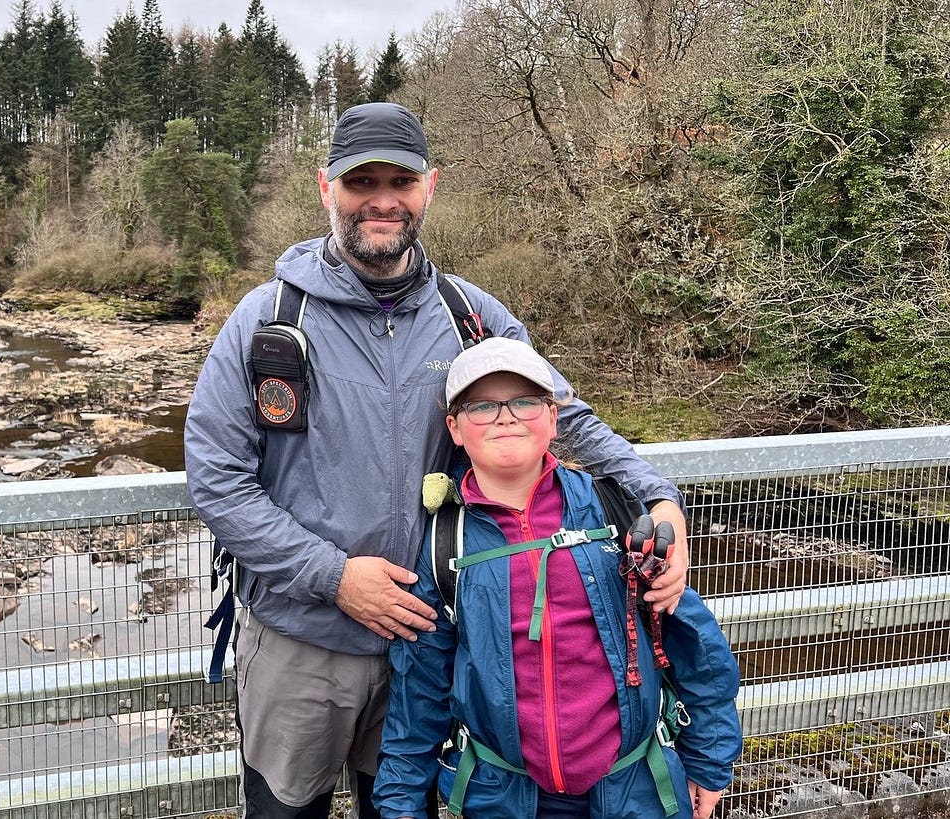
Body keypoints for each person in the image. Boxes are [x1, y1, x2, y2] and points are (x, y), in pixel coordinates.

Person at [183, 101, 691, 818]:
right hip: (301, 643)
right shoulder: (265, 322)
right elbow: (215, 478)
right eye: (362, 183)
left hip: (430, 643)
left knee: (402, 806)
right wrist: (332, 576)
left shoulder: (472, 317)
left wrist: (655, 496)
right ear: (326, 189)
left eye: (402, 180)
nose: (382, 200)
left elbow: (563, 418)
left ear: (431, 187)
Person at [372, 337, 741, 819]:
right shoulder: (445, 544)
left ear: (552, 417)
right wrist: (400, 805)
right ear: (455, 429)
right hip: (502, 798)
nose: (506, 417)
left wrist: (710, 760)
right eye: (482, 406)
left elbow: (694, 642)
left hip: (639, 791)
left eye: (525, 402)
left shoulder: (616, 514)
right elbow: (417, 690)